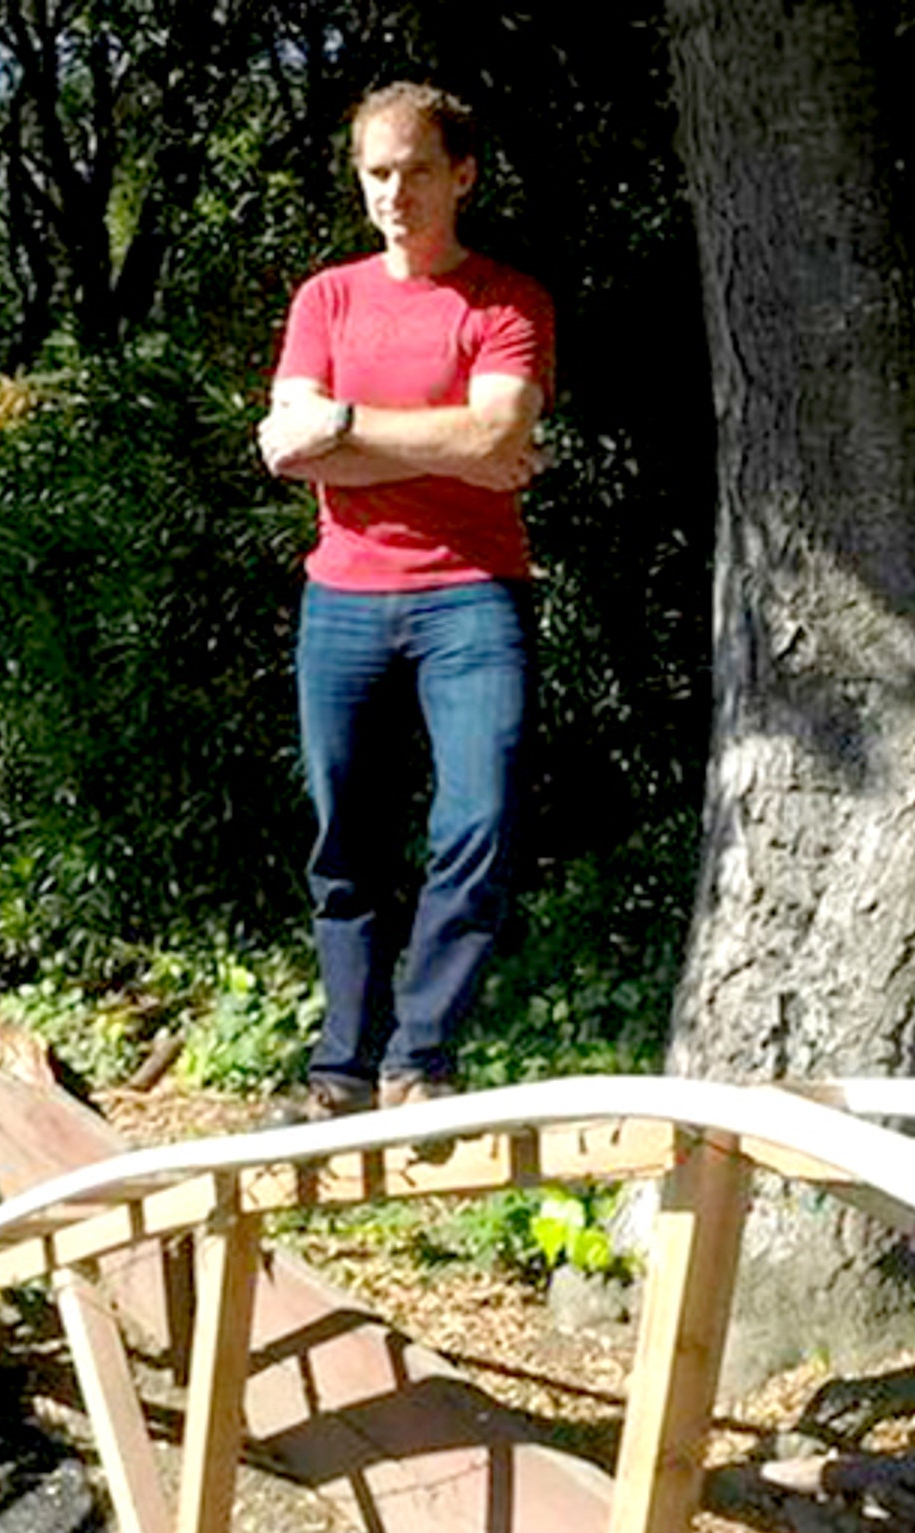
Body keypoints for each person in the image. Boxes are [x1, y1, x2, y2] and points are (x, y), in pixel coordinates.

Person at [257, 81, 554, 1117]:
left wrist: (345, 426)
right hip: (342, 597)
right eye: (377, 173)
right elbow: (286, 448)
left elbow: (496, 433)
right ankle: (343, 1067)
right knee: (345, 838)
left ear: (461, 176)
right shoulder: (326, 300)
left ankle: (420, 1059)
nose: (395, 192)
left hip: (473, 597)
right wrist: (453, 443)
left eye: (416, 170)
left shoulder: (508, 300)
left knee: (480, 820)